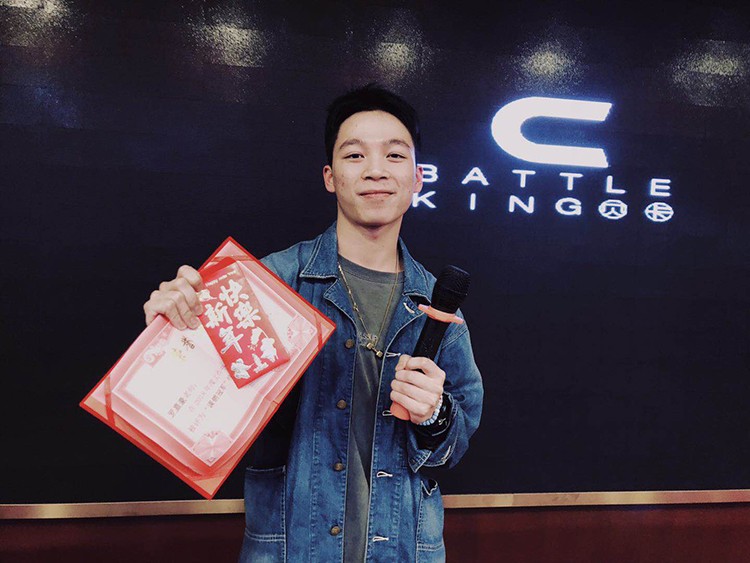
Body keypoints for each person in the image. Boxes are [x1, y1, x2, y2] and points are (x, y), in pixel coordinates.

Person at [143, 85, 484, 563]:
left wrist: (435, 415)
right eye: (354, 155)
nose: (375, 170)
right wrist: (172, 335)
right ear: (330, 176)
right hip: (290, 550)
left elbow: (455, 443)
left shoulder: (436, 306)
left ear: (417, 177)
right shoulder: (269, 283)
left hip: (404, 550)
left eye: (394, 155)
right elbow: (187, 410)